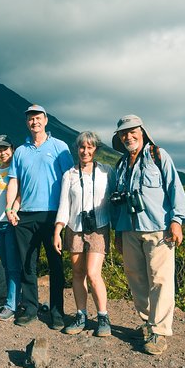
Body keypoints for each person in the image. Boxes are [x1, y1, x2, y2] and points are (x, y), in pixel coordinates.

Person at [111, 114, 185, 355]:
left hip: (159, 228)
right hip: (129, 229)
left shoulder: (158, 155)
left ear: (142, 132)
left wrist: (177, 221)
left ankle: (159, 331)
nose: (128, 136)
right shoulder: (121, 165)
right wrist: (117, 231)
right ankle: (148, 322)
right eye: (124, 133)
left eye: (132, 131)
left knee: (160, 279)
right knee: (136, 279)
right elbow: (117, 202)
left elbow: (174, 187)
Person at [5, 104, 74, 329]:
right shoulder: (21, 152)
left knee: (56, 266)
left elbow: (70, 180)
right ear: (27, 123)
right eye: (30, 119)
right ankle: (31, 308)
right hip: (25, 215)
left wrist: (67, 214)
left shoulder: (59, 147)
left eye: (37, 118)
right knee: (28, 265)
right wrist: (10, 208)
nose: (34, 122)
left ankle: (57, 312)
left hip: (52, 215)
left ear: (46, 120)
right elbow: (14, 180)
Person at [53, 131, 115, 337]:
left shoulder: (107, 172)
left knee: (93, 273)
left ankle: (103, 317)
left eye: (89, 147)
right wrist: (58, 230)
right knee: (78, 273)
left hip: (99, 227)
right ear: (77, 149)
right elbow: (64, 205)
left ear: (95, 149)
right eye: (82, 147)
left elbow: (115, 201)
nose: (85, 151)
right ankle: (81, 315)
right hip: (74, 228)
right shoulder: (69, 174)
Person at [0, 135, 21, 321]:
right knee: (6, 265)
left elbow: (20, 194)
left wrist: (13, 212)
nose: (2, 152)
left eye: (5, 148)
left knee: (13, 265)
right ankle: (14, 300)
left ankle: (11, 305)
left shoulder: (16, 170)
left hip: (11, 222)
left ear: (12, 148)